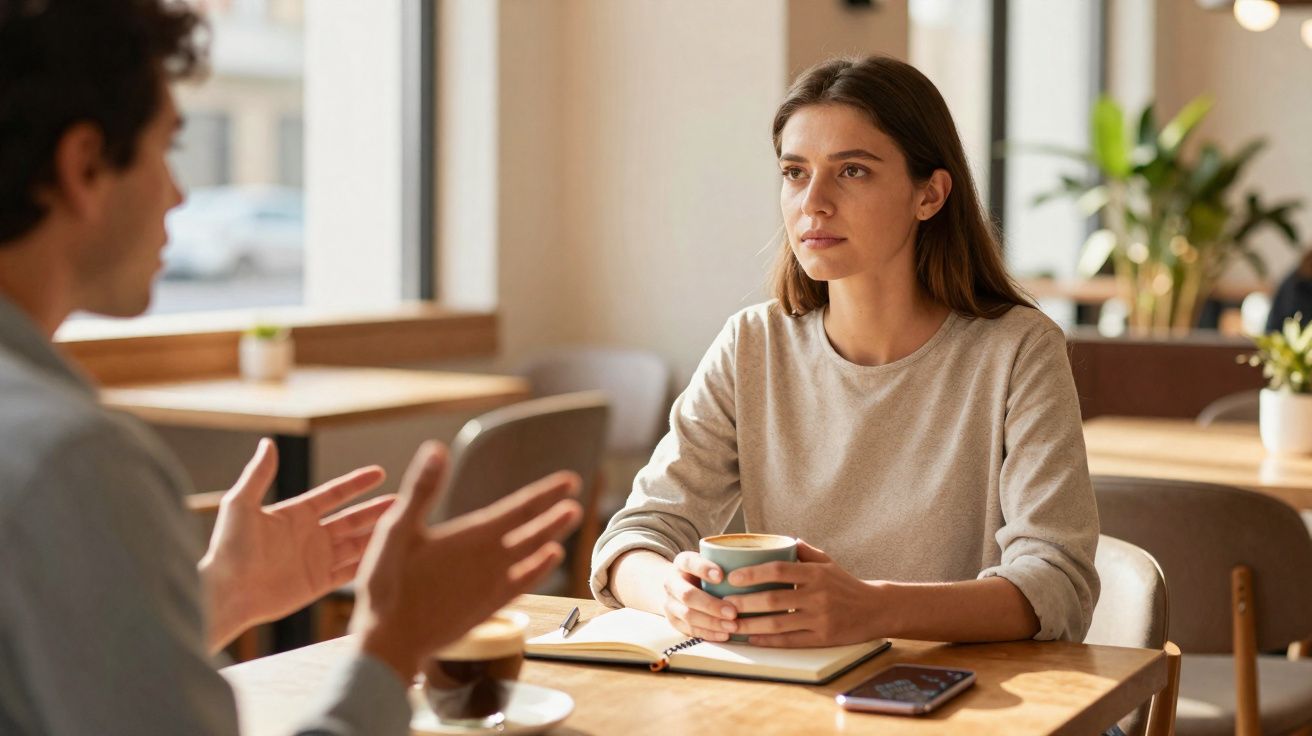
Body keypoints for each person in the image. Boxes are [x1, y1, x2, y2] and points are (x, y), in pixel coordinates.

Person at [0, 1, 581, 733]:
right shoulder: (71, 461)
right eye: (166, 149)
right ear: (85, 165)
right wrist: (392, 644)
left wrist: (224, 595)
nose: (179, 195)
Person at [591, 56, 1100, 649]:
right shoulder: (751, 345)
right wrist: (670, 592)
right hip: (795, 692)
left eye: (852, 171)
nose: (814, 202)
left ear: (930, 195)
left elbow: (1056, 582)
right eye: (794, 172)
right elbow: (637, 535)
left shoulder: (1018, 350)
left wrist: (875, 608)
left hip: (961, 694)